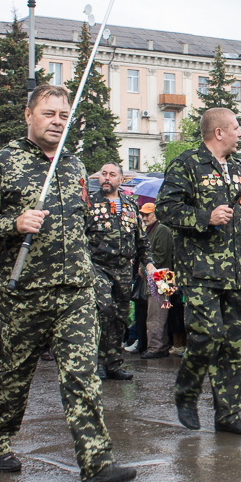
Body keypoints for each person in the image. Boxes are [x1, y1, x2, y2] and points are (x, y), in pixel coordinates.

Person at [0, 84, 135, 482]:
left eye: (63, 115)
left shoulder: (73, 165)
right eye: (48, 113)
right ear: (28, 116)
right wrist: (12, 223)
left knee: (83, 376)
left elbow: (80, 228)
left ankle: (96, 462)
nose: (57, 121)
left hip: (74, 291)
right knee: (11, 378)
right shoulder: (1, 164)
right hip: (24, 294)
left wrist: (93, 278)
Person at [156, 107, 241, 435]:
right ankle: (185, 392)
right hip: (201, 271)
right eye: (236, 127)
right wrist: (205, 217)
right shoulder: (187, 164)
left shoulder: (239, 170)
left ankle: (227, 414)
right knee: (206, 337)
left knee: (237, 345)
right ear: (218, 132)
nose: (240, 133)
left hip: (236, 274)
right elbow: (165, 209)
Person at [87, 162, 154, 381]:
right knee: (102, 311)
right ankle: (97, 364)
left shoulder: (130, 206)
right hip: (97, 267)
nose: (106, 178)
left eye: (112, 174)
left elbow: (142, 239)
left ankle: (114, 363)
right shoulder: (89, 203)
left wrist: (149, 264)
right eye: (103, 174)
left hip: (124, 269)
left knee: (120, 316)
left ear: (121, 179)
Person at [140, 202, 174, 359]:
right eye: (143, 215)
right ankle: (159, 345)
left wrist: (143, 268)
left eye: (147, 214)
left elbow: (160, 256)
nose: (144, 217)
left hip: (162, 277)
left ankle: (156, 347)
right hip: (159, 276)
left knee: (156, 315)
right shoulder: (151, 230)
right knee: (157, 313)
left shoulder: (162, 230)